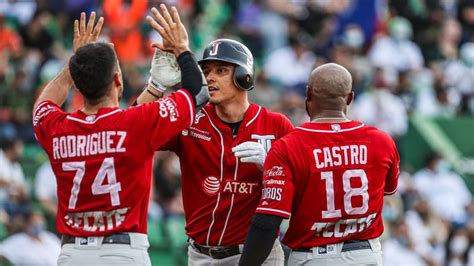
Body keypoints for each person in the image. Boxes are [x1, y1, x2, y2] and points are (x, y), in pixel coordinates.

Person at [32, 6, 208, 266]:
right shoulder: (135, 124)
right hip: (122, 253)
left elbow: (43, 105)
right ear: (118, 80)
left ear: (78, 82)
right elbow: (197, 93)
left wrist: (77, 61)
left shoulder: (58, 127)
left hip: (72, 254)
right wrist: (182, 48)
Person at [136, 26, 293, 266]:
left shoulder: (276, 124)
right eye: (206, 71)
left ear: (244, 75)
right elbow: (135, 131)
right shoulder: (190, 117)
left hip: (259, 255)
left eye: (221, 70)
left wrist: (272, 165)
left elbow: (301, 186)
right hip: (201, 256)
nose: (210, 77)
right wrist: (156, 86)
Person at [239, 63, 400, 265]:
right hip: (366, 254)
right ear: (349, 98)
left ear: (308, 95)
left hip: (313, 256)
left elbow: (267, 222)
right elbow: (388, 190)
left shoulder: (288, 146)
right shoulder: (382, 141)